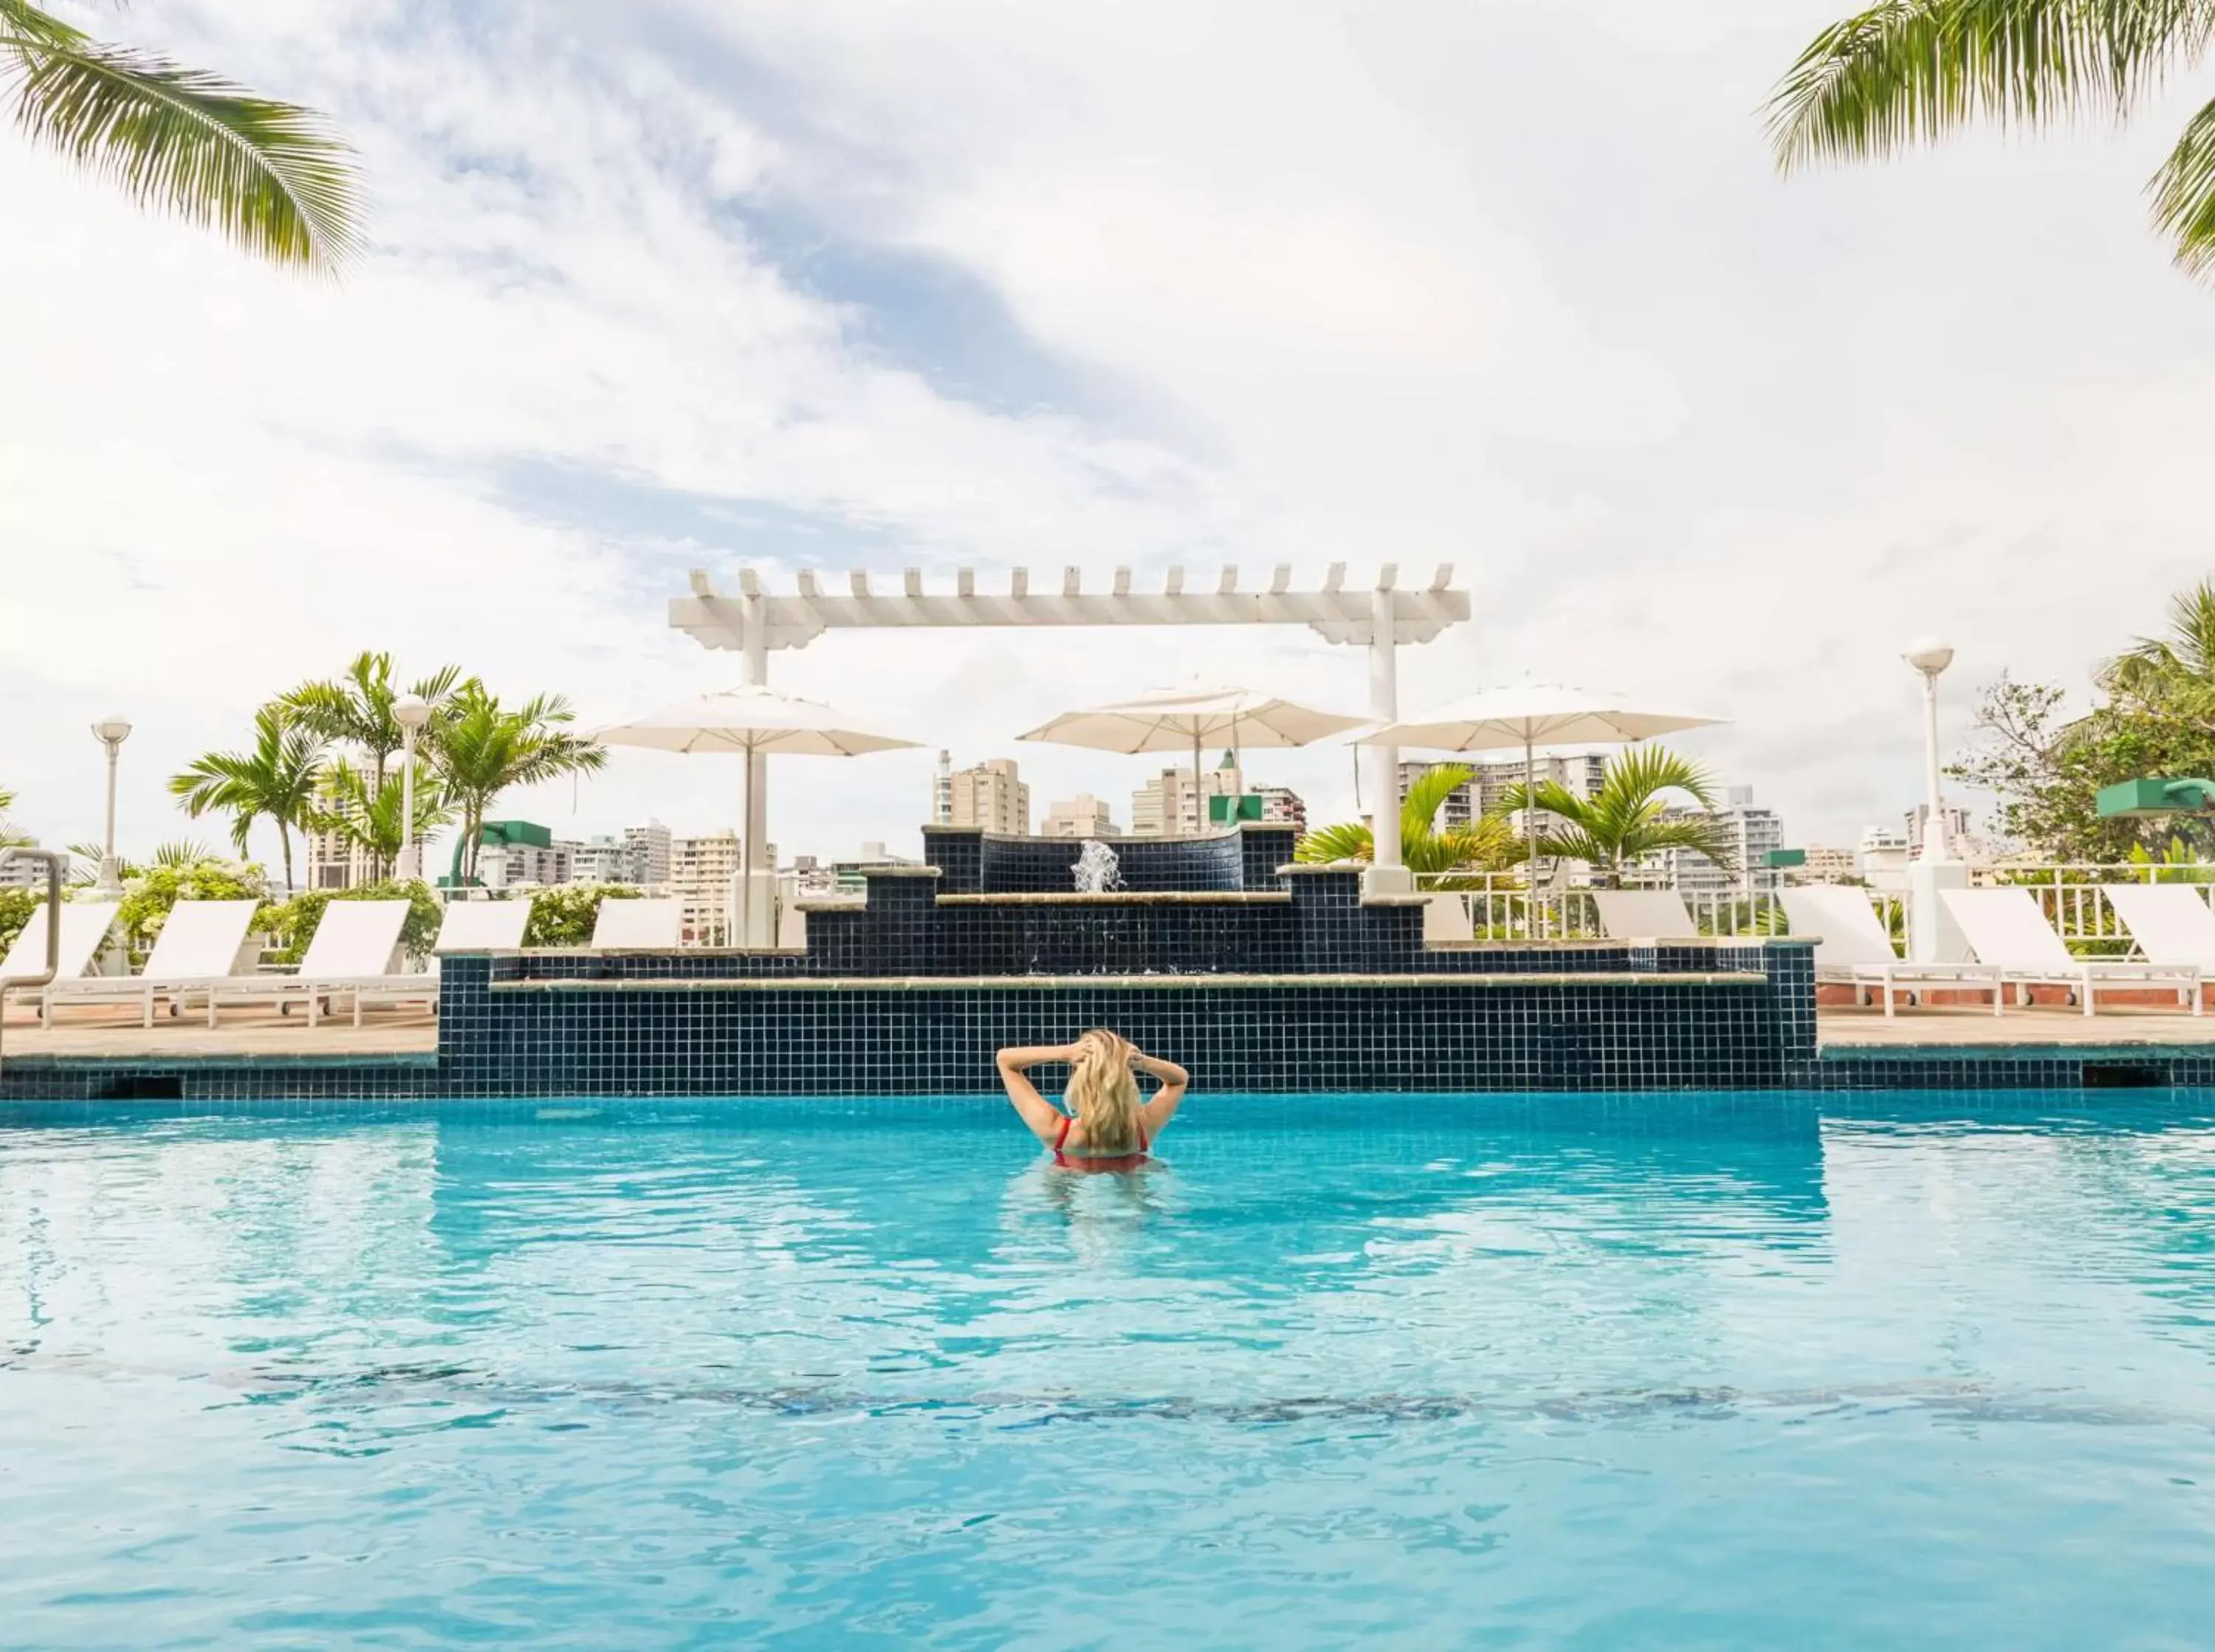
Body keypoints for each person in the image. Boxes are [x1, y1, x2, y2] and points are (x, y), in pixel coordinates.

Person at [995, 1030, 1189, 1171]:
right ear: (1125, 1079)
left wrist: (1065, 1053)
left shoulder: (1056, 1131)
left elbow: (1005, 1060)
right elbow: (1179, 1080)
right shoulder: (1143, 1129)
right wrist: (1141, 1061)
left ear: (1080, 1079)